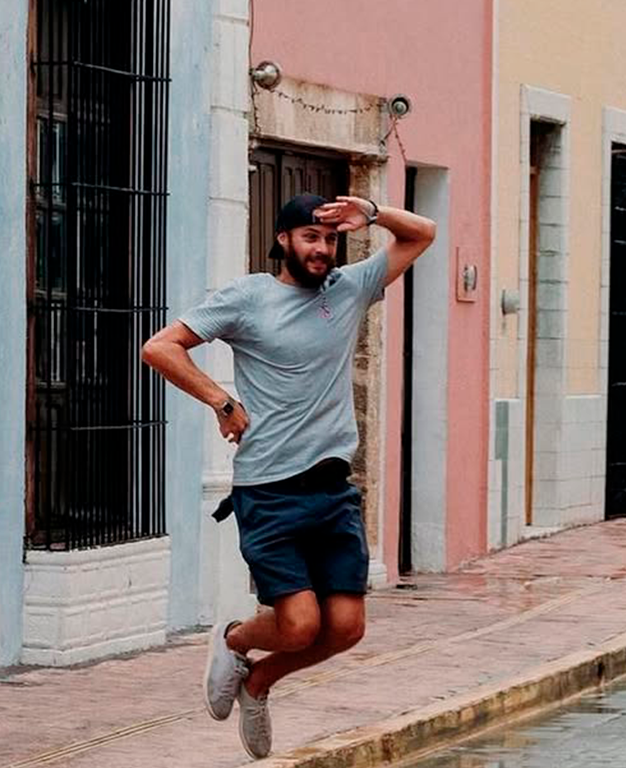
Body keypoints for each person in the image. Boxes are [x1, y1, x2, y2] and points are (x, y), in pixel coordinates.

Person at [141, 193, 435, 759]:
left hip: (332, 491)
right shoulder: (249, 297)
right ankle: (234, 639)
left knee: (346, 627)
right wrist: (221, 400)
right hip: (269, 489)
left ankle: (259, 681)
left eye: (329, 239)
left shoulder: (349, 289)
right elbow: (160, 348)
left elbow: (422, 233)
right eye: (310, 237)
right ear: (283, 240)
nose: (322, 249)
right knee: (298, 624)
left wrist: (372, 213)